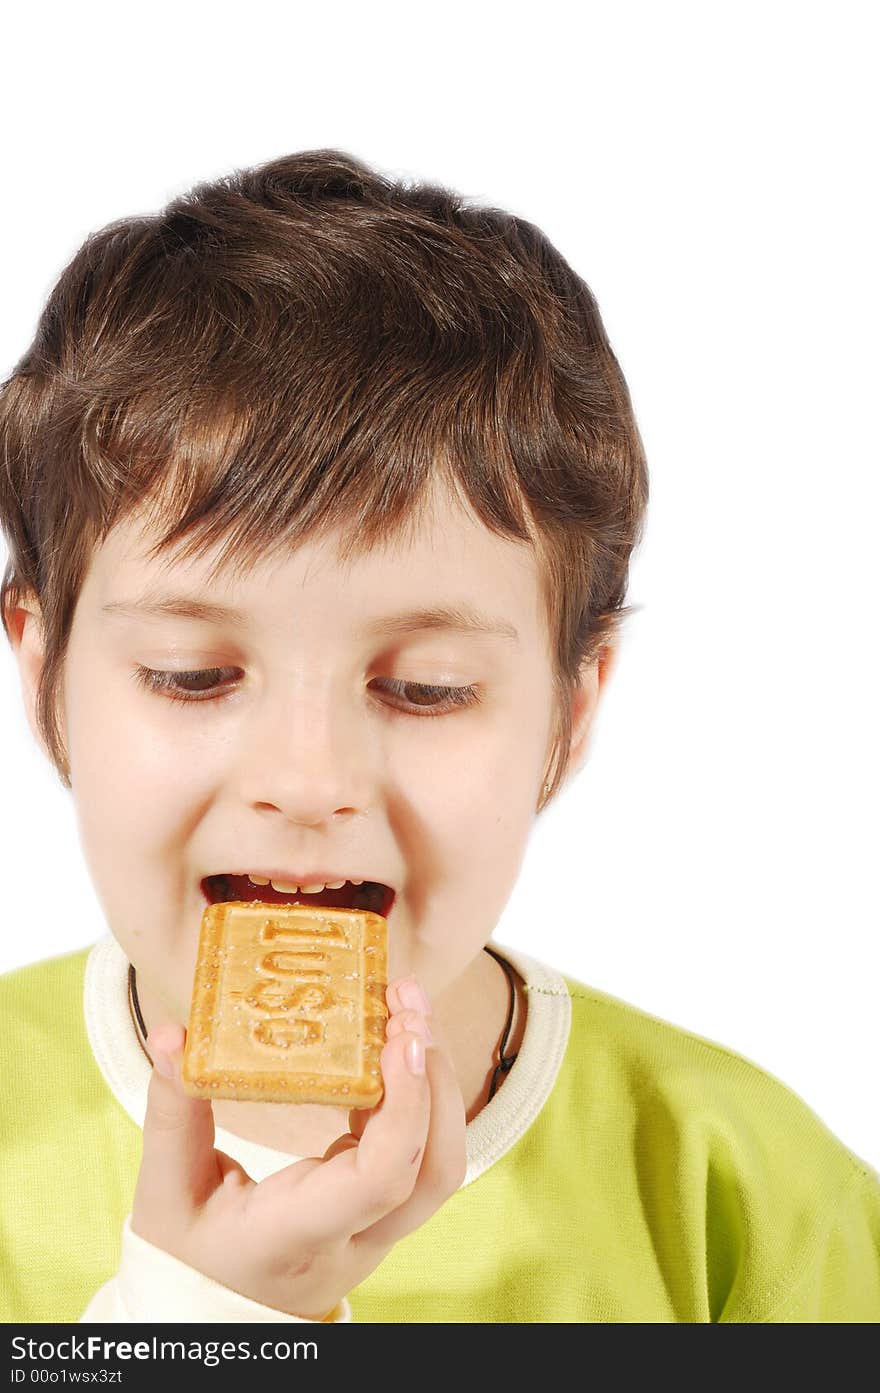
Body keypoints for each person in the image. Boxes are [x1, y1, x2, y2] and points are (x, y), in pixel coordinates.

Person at [1, 149, 877, 1325]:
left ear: (571, 711)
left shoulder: (750, 1197)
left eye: (425, 688)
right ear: (45, 670)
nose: (307, 781)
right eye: (192, 673)